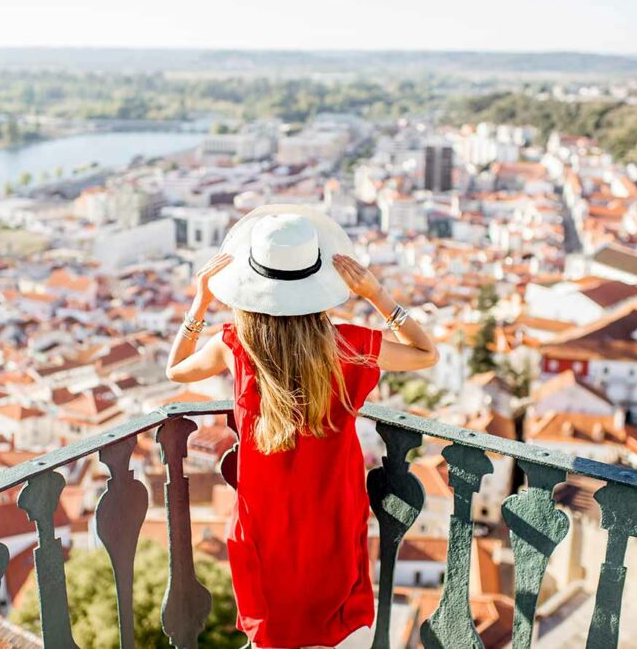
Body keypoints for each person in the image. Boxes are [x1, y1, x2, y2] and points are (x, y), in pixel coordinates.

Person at [165, 205, 438, 649]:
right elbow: (426, 354)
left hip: (263, 512)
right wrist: (377, 294)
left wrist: (201, 299)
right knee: (335, 617)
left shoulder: (236, 344)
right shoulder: (348, 344)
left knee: (274, 624)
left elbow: (175, 369)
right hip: (332, 504)